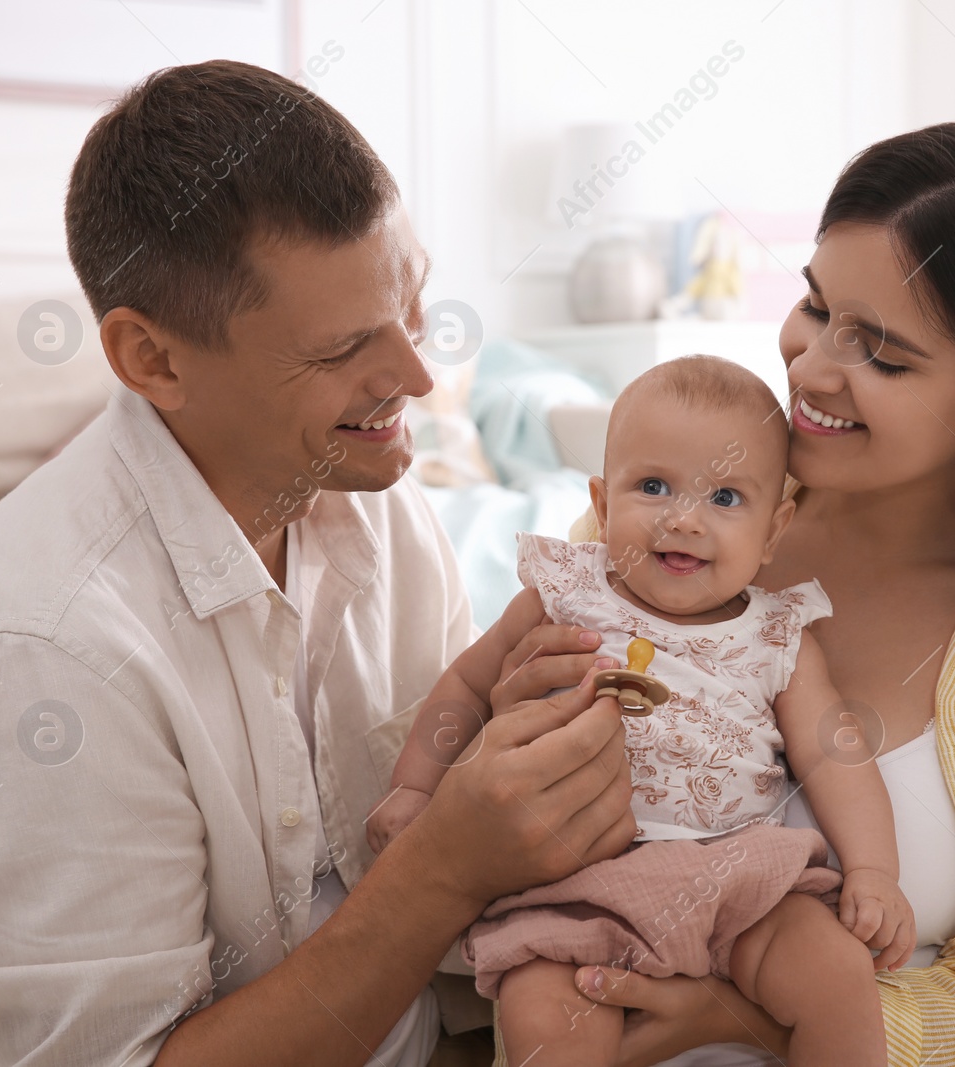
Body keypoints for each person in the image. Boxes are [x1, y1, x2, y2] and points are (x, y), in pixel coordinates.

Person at [0, 60, 634, 1067]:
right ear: (153, 361)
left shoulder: (379, 513)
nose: (417, 376)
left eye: (416, 303)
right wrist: (442, 868)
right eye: (346, 346)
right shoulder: (36, 662)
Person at [544, 121, 955, 1067]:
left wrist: (758, 1018)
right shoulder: (662, 535)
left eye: (884, 355)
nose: (812, 368)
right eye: (815, 306)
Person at [373, 356, 916, 1066]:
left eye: (725, 497)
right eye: (653, 486)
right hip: (571, 889)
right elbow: (465, 687)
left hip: (738, 883)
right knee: (546, 1016)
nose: (684, 519)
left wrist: (874, 870)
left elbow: (834, 755)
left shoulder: (777, 633)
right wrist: (416, 786)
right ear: (602, 504)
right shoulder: (566, 593)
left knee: (837, 975)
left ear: (774, 530)